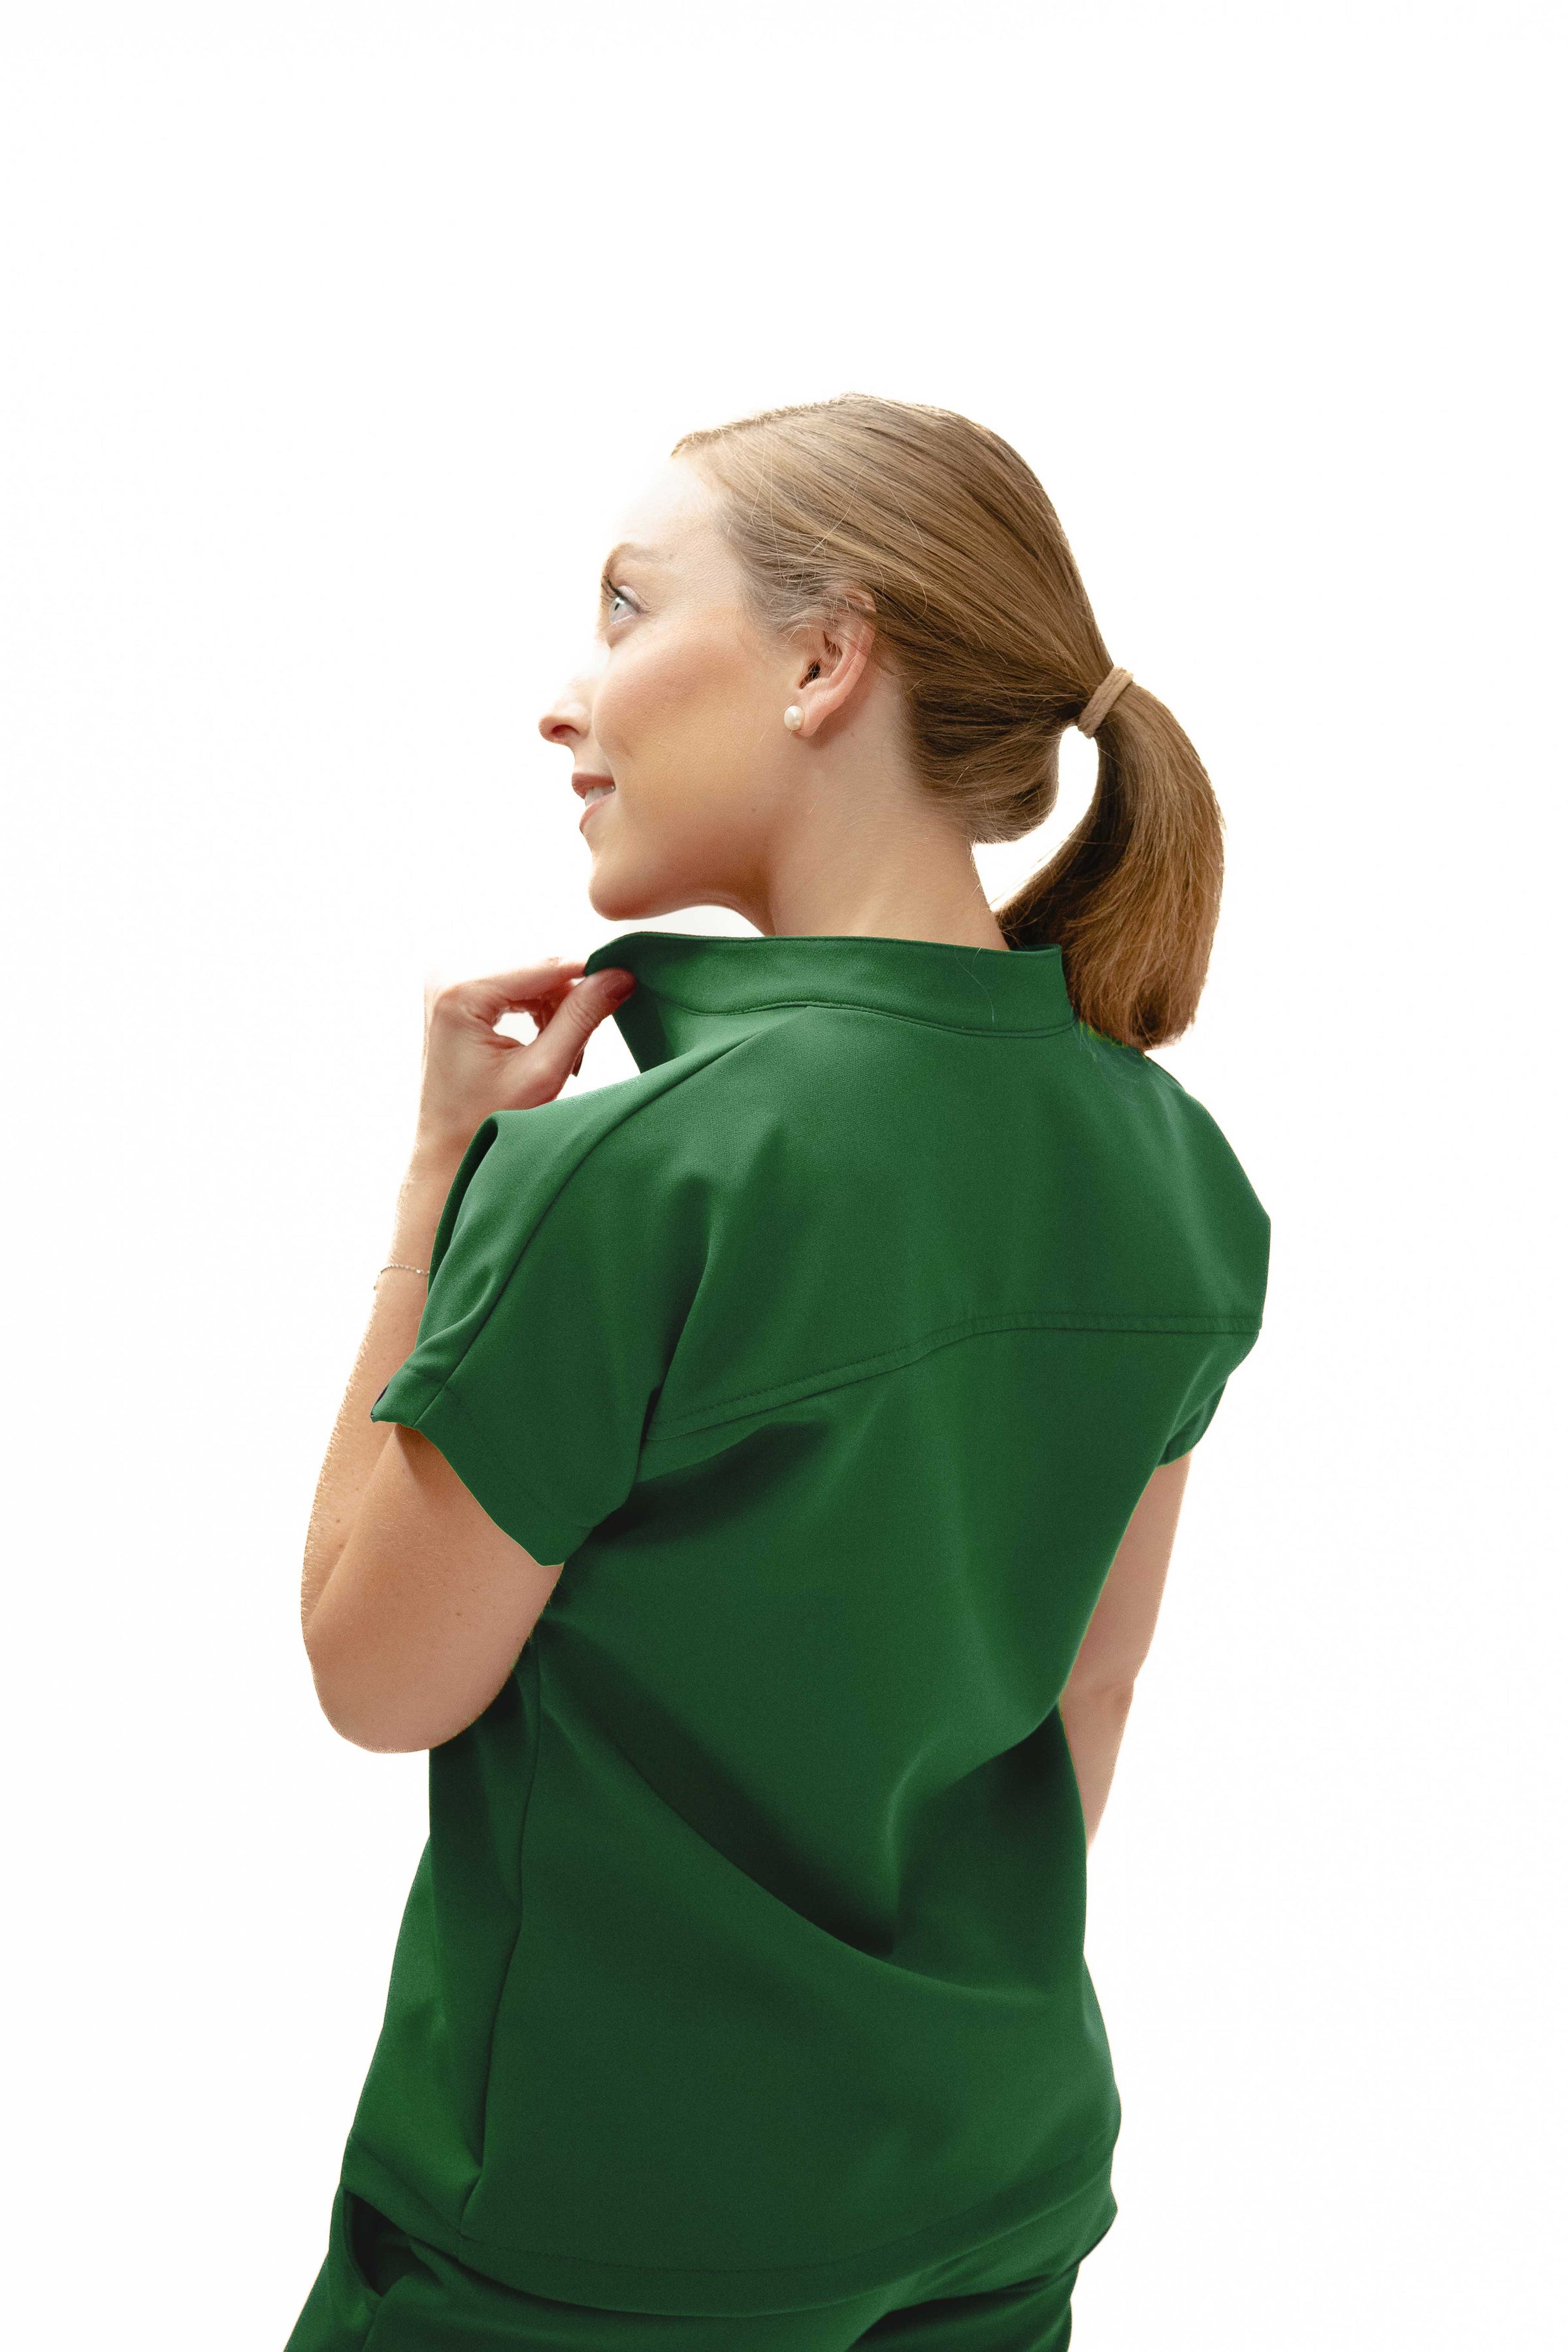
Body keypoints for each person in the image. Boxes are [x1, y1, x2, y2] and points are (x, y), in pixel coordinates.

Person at [284, 394, 1270, 2351]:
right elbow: (1084, 1692)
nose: (565, 702)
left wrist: (437, 1186)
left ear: (827, 662)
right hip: (989, 2200)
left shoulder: (640, 1173)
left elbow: (376, 1676)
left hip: (590, 2245)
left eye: (628, 608)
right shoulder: (1178, 1172)